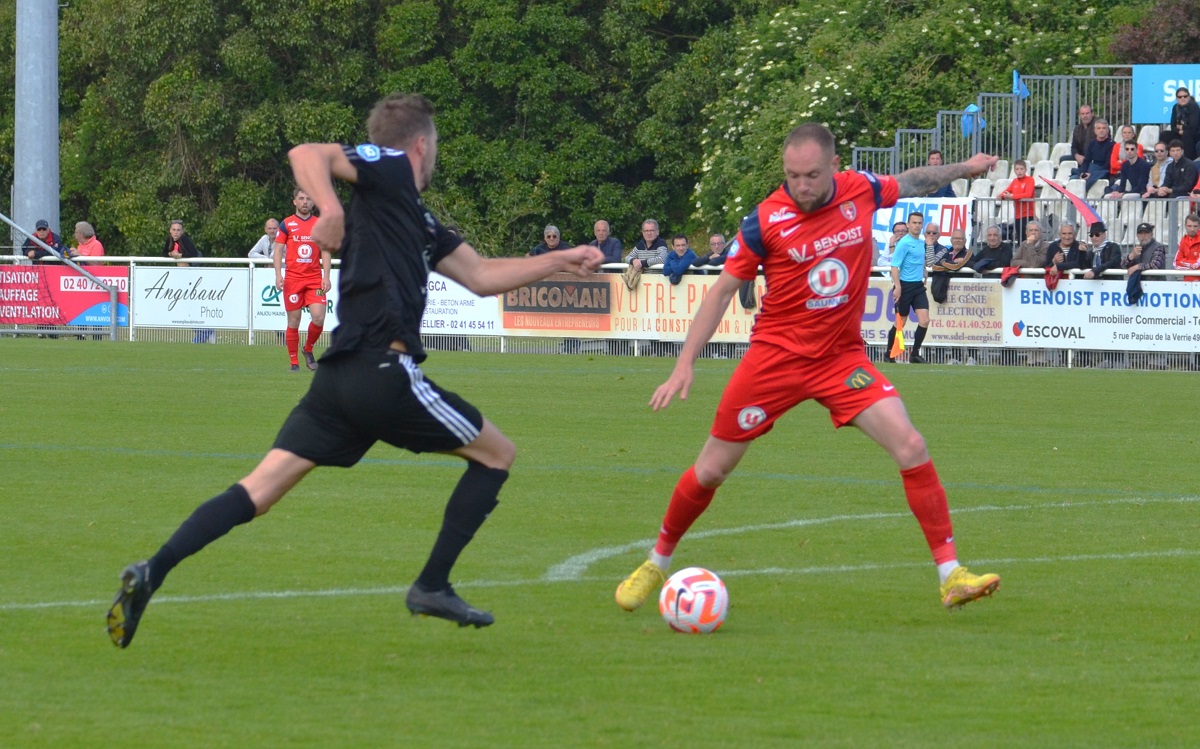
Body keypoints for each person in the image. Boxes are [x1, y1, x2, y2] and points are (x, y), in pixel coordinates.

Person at [105, 93, 605, 649]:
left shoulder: (417, 217)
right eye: (433, 144)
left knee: (260, 489)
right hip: (382, 371)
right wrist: (332, 209)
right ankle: (432, 585)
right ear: (420, 144)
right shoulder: (390, 168)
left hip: (339, 382)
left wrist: (562, 259)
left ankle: (153, 571)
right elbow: (306, 153)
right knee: (497, 454)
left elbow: (483, 275)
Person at [612, 123, 1000, 617]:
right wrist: (684, 363)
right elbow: (722, 291)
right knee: (711, 470)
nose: (802, 186)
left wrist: (966, 168)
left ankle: (951, 575)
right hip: (774, 360)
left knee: (911, 444)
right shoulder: (765, 220)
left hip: (840, 359)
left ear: (834, 167)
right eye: (793, 176)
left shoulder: (860, 189)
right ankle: (656, 561)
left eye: (812, 175)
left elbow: (913, 180)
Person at [274, 190, 332, 371]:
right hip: (293, 279)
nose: (305, 202)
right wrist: (278, 274)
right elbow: (277, 251)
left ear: (313, 203)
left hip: (314, 279)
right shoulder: (287, 224)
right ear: (294, 202)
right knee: (294, 321)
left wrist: (326, 276)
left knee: (319, 317)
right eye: (301, 198)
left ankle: (308, 348)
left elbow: (326, 251)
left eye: (308, 199)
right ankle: (294, 362)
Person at [887, 211, 931, 364]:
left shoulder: (921, 242)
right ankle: (889, 353)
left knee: (924, 320)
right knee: (901, 322)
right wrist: (897, 286)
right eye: (914, 223)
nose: (917, 225)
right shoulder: (904, 243)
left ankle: (915, 354)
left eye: (919, 223)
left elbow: (918, 261)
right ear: (908, 224)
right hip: (905, 286)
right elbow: (894, 266)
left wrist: (923, 271)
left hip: (918, 286)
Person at [928, 228, 971, 304]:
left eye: (960, 238)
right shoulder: (945, 252)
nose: (957, 240)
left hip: (963, 295)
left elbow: (955, 267)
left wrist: (945, 264)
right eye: (955, 238)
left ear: (965, 241)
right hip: (944, 297)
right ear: (951, 240)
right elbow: (935, 266)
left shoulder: (969, 254)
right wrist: (952, 263)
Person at [999, 159, 1036, 238]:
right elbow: (1005, 192)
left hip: (1028, 215)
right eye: (1017, 169)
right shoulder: (1015, 181)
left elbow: (1028, 195)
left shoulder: (1030, 180)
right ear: (1014, 170)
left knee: (1029, 239)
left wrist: (1012, 196)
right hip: (1018, 215)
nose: (1019, 171)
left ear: (1025, 170)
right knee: (1020, 240)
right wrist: (1001, 196)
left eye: (1021, 169)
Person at [1076, 119, 1116, 192]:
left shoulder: (1112, 144)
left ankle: (1083, 194)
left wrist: (1090, 174)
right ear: (1095, 130)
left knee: (1096, 175)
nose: (1101, 130)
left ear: (1108, 130)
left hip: (1103, 170)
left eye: (1104, 128)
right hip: (1092, 168)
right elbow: (1087, 160)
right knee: (1074, 176)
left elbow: (1108, 164)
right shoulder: (1092, 143)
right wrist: (1084, 172)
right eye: (1099, 128)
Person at [1161, 87, 1200, 160]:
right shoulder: (1175, 107)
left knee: (1187, 134)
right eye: (1180, 97)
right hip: (1179, 133)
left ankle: (1187, 161)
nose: (1182, 98)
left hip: (1194, 134)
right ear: (1177, 98)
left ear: (1188, 97)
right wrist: (1179, 130)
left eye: (1185, 96)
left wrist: (1182, 128)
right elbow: (1173, 126)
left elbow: (1193, 125)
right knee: (1164, 134)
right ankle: (1167, 160)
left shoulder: (1193, 106)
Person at [1174, 213, 1200, 282]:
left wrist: (1183, 262)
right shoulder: (1183, 241)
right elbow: (1176, 263)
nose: (1192, 229)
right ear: (1185, 226)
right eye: (1189, 226)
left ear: (1199, 226)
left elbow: (1196, 264)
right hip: (1188, 283)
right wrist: (1190, 267)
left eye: (1195, 226)